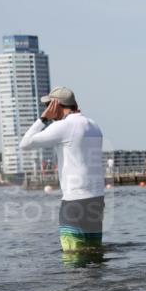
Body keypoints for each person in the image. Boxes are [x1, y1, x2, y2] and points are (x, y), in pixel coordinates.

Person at [19, 86, 105, 253]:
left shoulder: (64, 126)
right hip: (97, 199)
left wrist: (43, 119)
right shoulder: (94, 125)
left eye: (48, 106)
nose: (46, 110)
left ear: (56, 105)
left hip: (75, 200)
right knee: (94, 255)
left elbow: (25, 143)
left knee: (73, 257)